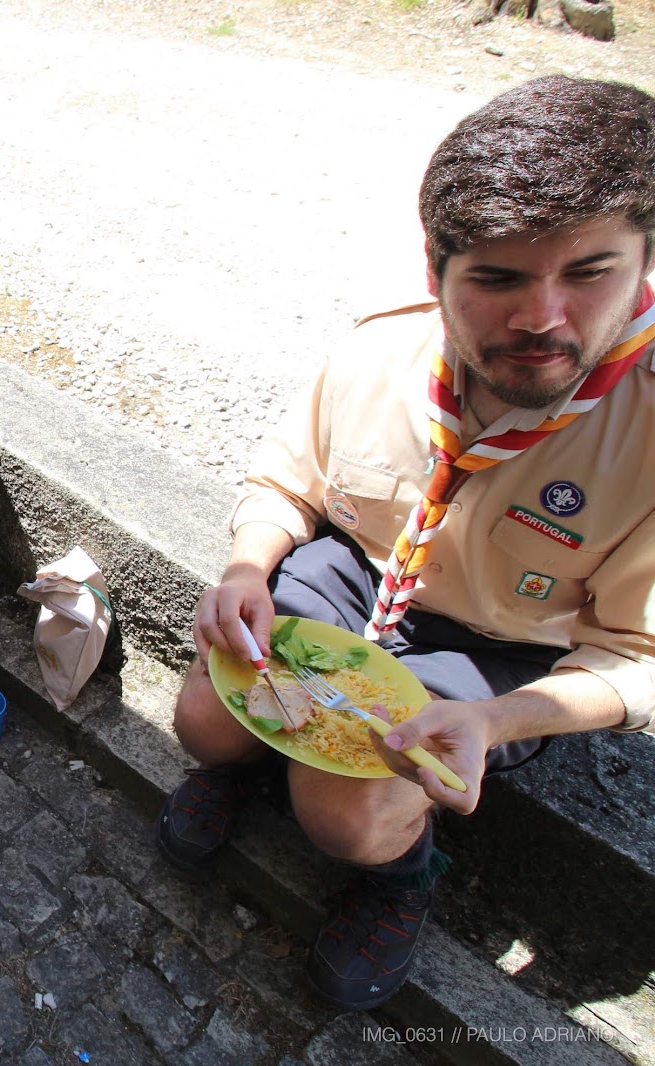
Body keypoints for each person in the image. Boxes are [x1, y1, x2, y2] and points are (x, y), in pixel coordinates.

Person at [158, 76, 655, 1011]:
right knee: (206, 718)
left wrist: (497, 722)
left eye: (590, 272)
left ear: (644, 261)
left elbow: (639, 657)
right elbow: (287, 480)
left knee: (341, 810)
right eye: (498, 278)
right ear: (436, 270)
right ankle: (243, 770)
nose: (543, 317)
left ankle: (399, 874)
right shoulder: (380, 351)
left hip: (500, 647)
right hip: (354, 578)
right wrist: (246, 567)